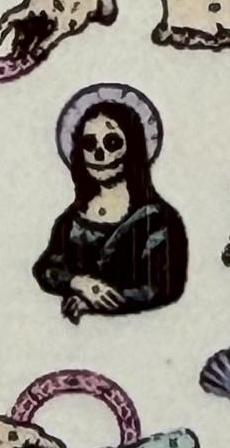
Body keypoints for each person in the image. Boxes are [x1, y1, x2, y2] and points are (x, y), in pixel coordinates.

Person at [33, 85, 188, 320]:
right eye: (89, 144)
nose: (99, 154)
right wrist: (78, 283)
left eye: (112, 143)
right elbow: (46, 268)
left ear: (132, 148)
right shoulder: (72, 218)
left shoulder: (158, 219)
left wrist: (95, 301)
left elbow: (162, 287)